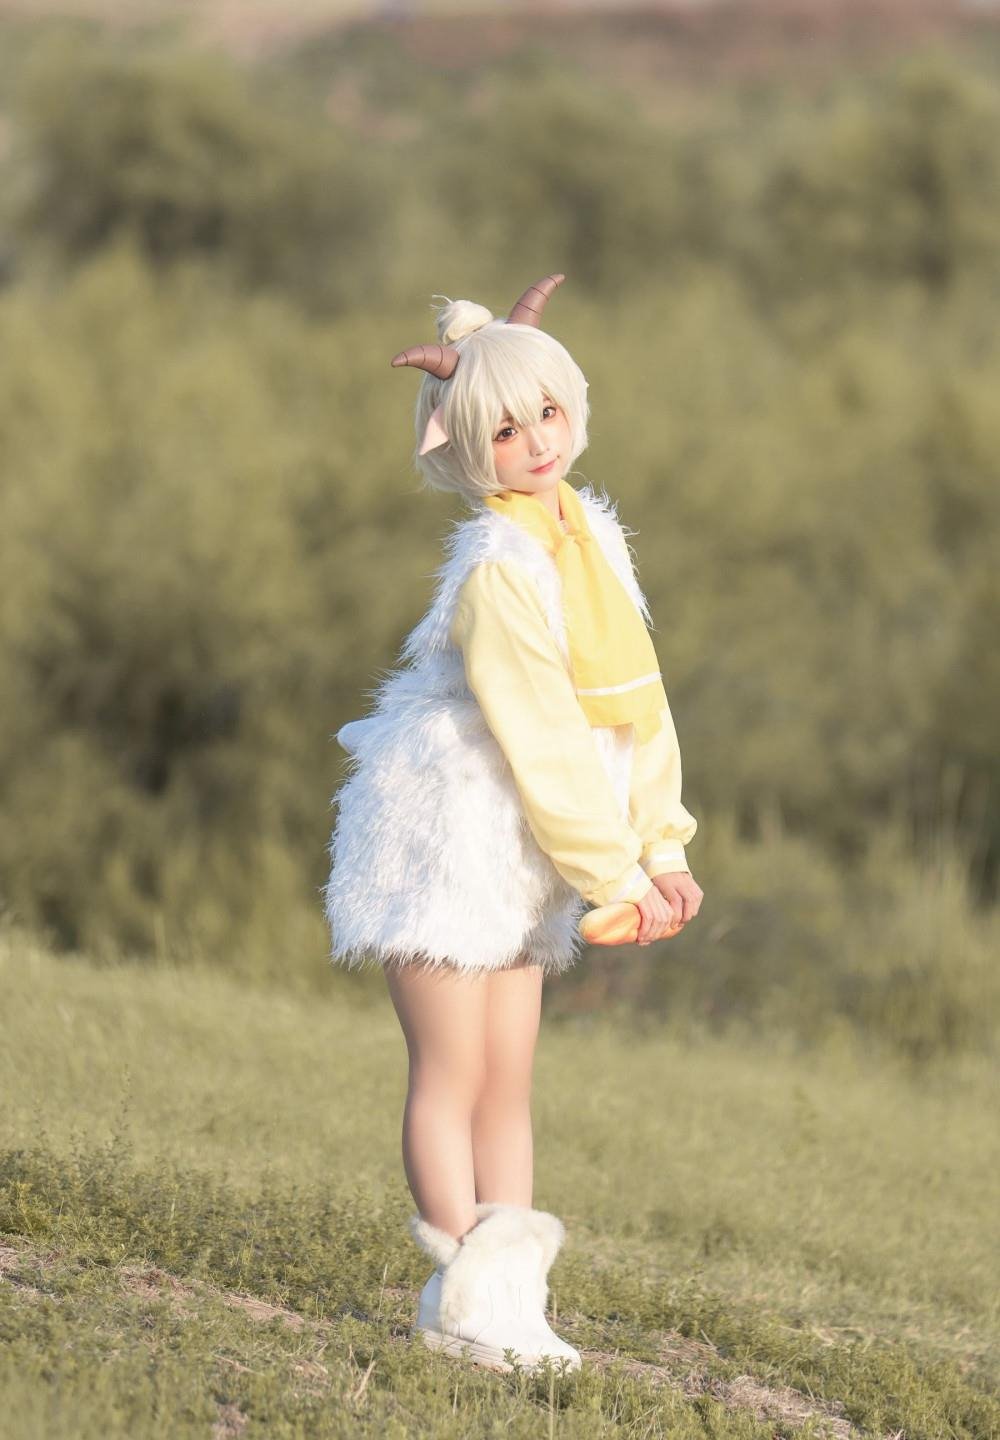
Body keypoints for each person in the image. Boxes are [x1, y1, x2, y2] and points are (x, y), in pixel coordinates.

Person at [322, 274, 703, 1373]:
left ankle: (514, 1302)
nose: (535, 441)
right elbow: (540, 735)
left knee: (509, 1079)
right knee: (452, 1072)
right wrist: (615, 879)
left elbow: (636, 713)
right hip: (448, 832)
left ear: (572, 404)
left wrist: (662, 848)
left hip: (531, 844)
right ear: (464, 448)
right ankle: (461, 1305)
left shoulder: (592, 538)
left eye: (545, 411)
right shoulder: (499, 568)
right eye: (502, 428)